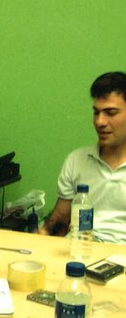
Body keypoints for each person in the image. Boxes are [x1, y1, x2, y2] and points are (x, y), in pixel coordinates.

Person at [41, 72, 126, 244]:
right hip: (79, 249)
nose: (100, 122)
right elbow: (61, 219)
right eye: (96, 113)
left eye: (110, 113)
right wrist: (38, 240)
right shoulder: (76, 160)